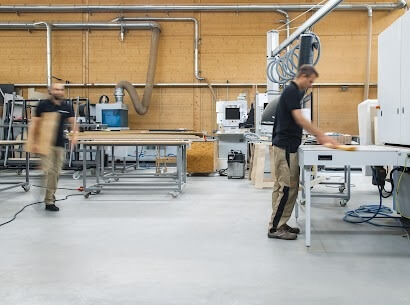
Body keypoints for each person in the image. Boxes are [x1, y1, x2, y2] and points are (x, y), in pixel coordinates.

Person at [268, 65, 338, 240]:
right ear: (303, 76)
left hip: (286, 147)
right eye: (310, 81)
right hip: (285, 147)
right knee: (286, 188)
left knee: (284, 188)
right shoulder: (291, 91)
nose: (311, 85)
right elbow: (300, 119)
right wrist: (321, 136)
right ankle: (274, 228)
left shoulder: (294, 93)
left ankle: (280, 223)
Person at [31, 83, 78, 211]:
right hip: (45, 144)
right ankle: (49, 201)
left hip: (60, 144)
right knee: (49, 171)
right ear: (51, 91)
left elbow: (73, 123)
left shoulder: (66, 106)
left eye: (61, 89)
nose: (59, 91)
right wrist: (34, 143)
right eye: (56, 89)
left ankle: (48, 197)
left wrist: (74, 135)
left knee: (56, 173)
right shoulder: (42, 105)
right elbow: (35, 125)